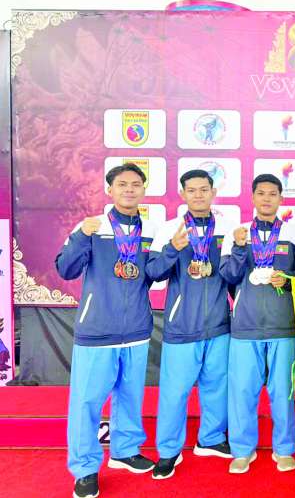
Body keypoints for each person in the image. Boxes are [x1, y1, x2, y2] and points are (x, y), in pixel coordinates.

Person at [55, 163, 158, 498]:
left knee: (130, 397)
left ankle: (125, 450)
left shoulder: (151, 229)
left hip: (137, 330)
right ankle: (85, 469)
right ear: (109, 189)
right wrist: (81, 236)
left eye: (136, 184)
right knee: (86, 402)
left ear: (144, 189)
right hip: (97, 331)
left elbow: (153, 274)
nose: (129, 189)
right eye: (122, 184)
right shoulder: (93, 226)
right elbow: (65, 268)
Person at [219, 174, 295, 474]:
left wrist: (289, 280)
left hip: (283, 325)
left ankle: (284, 449)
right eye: (261, 193)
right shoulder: (237, 234)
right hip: (245, 326)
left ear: (281, 198)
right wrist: (240, 248)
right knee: (242, 391)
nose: (267, 198)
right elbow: (229, 276)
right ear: (253, 198)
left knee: (282, 391)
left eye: (273, 193)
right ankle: (242, 450)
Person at [146, 169, 232, 479]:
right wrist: (174, 248)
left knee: (217, 386)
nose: (198, 195)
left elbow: (234, 273)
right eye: (192, 190)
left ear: (213, 192)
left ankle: (211, 438)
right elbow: (153, 272)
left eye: (204, 189)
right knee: (174, 392)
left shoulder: (227, 228)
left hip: (219, 325)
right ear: (182, 194)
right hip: (182, 326)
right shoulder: (170, 229)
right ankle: (169, 451)